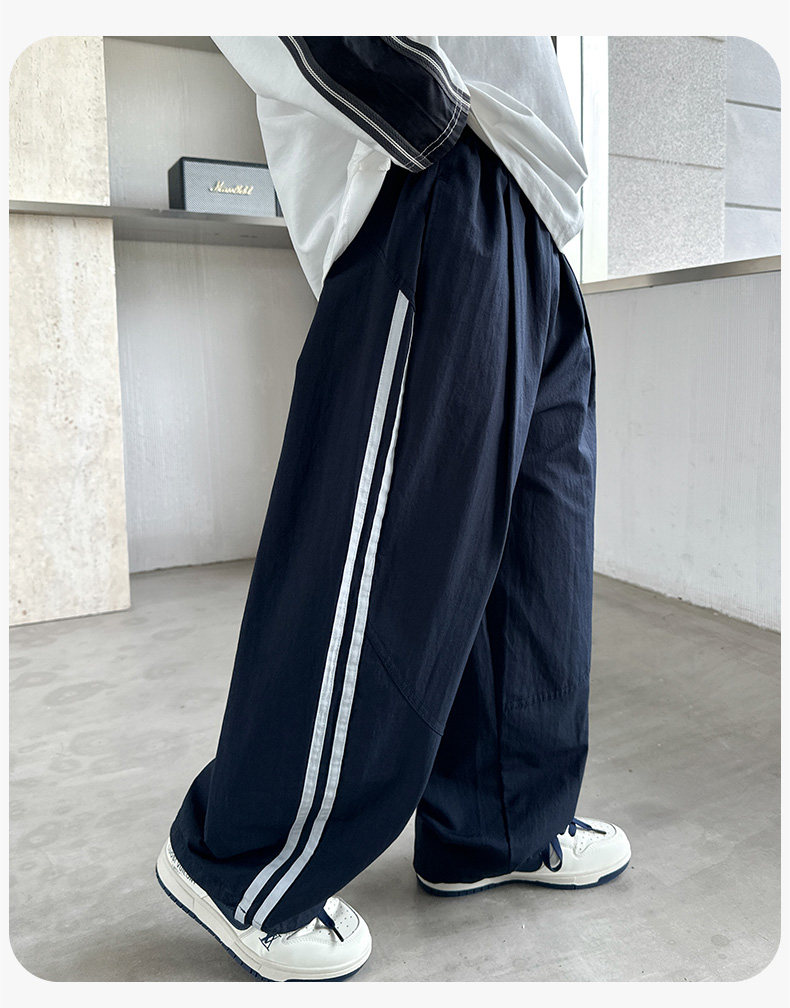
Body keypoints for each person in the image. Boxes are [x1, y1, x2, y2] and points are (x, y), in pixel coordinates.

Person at [155, 36, 631, 983]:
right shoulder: (430, 138)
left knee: (535, 561)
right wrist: (422, 111)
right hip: (438, 171)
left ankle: (498, 824)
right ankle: (249, 858)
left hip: (539, 209)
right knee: (388, 567)